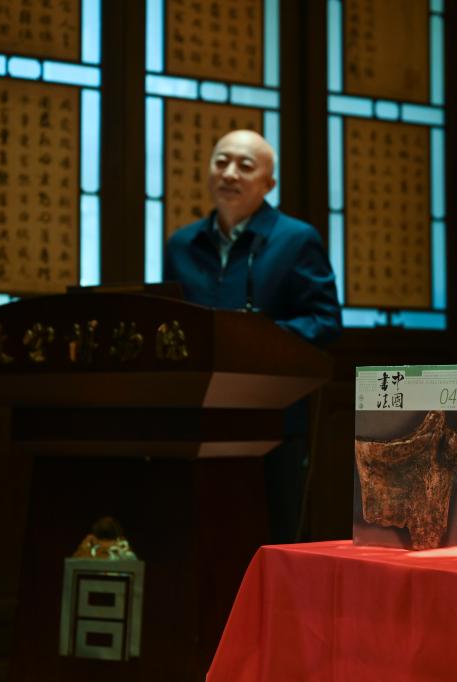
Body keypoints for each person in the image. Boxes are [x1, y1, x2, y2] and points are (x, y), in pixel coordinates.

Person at [164, 129, 341, 543]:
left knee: (271, 535)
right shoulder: (182, 244)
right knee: (199, 538)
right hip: (198, 417)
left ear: (268, 184)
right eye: (221, 162)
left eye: (245, 166)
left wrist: (257, 338)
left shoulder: (295, 239)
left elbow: (325, 320)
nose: (229, 173)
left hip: (273, 416)